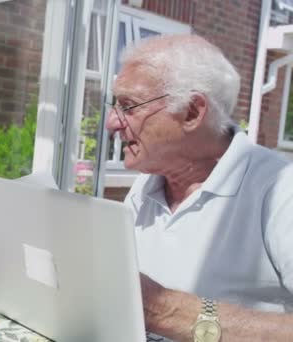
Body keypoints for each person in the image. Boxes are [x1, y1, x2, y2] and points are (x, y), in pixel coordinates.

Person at [106, 33, 293, 341]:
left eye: (129, 106)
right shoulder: (146, 185)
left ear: (192, 113)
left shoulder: (280, 191)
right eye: (115, 105)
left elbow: (151, 306)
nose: (113, 122)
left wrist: (164, 310)